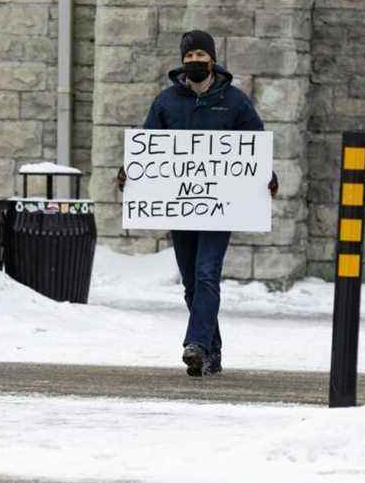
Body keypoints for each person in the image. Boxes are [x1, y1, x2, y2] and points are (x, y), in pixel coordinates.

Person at [117, 30, 278, 377]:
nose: (195, 62)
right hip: (181, 205)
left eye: (201, 56)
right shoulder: (166, 102)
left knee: (207, 275)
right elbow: (147, 145)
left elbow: (256, 144)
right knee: (191, 281)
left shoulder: (235, 102)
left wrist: (268, 174)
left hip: (221, 208)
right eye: (189, 57)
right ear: (182, 61)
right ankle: (211, 354)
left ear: (213, 60)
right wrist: (129, 174)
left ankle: (196, 344)